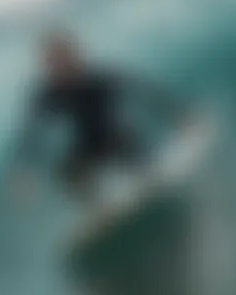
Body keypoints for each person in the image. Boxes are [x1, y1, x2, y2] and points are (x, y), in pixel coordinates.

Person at [11, 31, 190, 201]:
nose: (59, 66)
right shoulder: (49, 93)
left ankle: (155, 184)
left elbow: (142, 89)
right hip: (88, 144)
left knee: (140, 164)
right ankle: (100, 206)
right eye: (52, 62)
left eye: (62, 57)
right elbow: (32, 132)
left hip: (115, 136)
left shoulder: (97, 77)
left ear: (74, 55)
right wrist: (25, 171)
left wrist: (176, 114)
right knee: (69, 171)